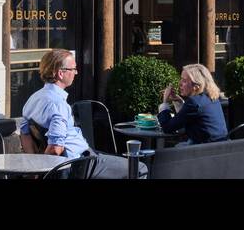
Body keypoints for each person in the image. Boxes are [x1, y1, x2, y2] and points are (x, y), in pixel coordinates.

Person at [19, 49, 146, 178]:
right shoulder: (58, 105)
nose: (76, 72)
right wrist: (42, 172)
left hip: (79, 159)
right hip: (79, 164)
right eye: (73, 69)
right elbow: (55, 148)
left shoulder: (33, 99)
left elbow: (24, 134)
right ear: (60, 73)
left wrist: (34, 167)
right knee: (139, 168)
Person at [157, 64, 228, 144]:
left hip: (204, 152)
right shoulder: (211, 97)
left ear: (196, 87)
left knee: (164, 154)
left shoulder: (194, 102)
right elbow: (185, 119)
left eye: (184, 81)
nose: (180, 83)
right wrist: (178, 101)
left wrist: (164, 102)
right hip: (220, 148)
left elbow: (167, 128)